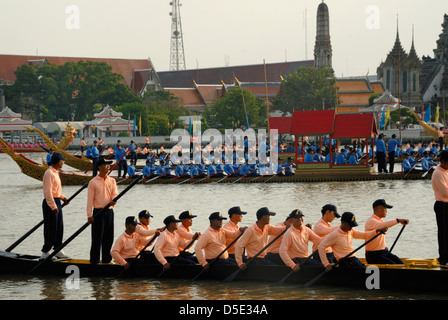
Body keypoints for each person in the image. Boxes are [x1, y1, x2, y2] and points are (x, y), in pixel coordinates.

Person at [318, 212, 388, 270]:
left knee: (366, 268)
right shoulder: (335, 234)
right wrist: (326, 264)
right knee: (368, 270)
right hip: (345, 261)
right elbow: (321, 246)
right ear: (343, 222)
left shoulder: (350, 231)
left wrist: (377, 231)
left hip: (353, 259)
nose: (351, 227)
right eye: (350, 225)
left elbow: (364, 235)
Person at [86, 157, 118, 264]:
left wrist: (114, 200)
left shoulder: (112, 180)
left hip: (109, 211)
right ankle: (94, 262)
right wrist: (89, 215)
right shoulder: (93, 182)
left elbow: (115, 193)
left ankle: (106, 260)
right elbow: (90, 200)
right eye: (105, 165)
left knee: (109, 237)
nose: (108, 167)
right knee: (97, 239)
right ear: (99, 167)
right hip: (98, 213)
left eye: (108, 165)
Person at [41, 152, 69, 260]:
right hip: (50, 203)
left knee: (59, 227)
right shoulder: (49, 173)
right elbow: (48, 192)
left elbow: (55, 191)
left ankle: (57, 249)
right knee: (50, 228)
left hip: (56, 201)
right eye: (62, 161)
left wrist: (63, 198)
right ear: (58, 162)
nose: (63, 163)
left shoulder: (56, 172)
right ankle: (45, 251)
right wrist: (53, 206)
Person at [364, 199, 409, 264]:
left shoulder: (379, 221)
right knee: (396, 267)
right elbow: (382, 225)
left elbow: (383, 224)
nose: (386, 211)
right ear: (379, 208)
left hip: (384, 252)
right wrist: (398, 221)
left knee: (401, 264)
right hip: (374, 255)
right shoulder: (371, 221)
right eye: (385, 208)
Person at [431, 150, 448, 266]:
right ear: (443, 162)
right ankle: (444, 258)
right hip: (442, 205)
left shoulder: (446, 171)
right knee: (444, 233)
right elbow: (445, 191)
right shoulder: (437, 173)